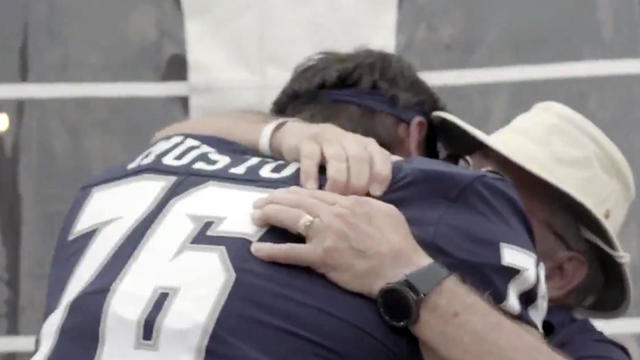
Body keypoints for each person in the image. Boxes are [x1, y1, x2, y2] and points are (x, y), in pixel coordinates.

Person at [33, 50, 555, 359]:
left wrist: (281, 134)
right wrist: (413, 277)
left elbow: (171, 133)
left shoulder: (134, 173)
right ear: (418, 137)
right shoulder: (434, 193)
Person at [156, 50, 634, 359]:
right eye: (462, 165)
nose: (464, 191)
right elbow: (166, 140)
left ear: (562, 274)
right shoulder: (358, 244)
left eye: (496, 186)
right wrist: (291, 135)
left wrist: (412, 280)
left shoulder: (582, 347)